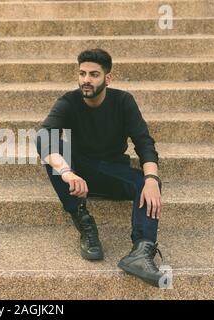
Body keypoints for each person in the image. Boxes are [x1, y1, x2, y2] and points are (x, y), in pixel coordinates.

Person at [35, 48, 164, 287]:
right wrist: (67, 171)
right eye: (82, 73)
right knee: (55, 151)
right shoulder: (69, 101)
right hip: (78, 173)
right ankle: (84, 222)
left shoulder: (123, 101)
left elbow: (144, 143)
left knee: (145, 182)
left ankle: (142, 251)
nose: (86, 79)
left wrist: (152, 180)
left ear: (108, 77)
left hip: (111, 171)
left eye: (94, 74)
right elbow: (44, 136)